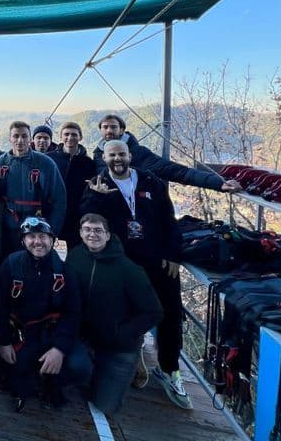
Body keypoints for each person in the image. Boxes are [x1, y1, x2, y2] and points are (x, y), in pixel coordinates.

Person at [80, 139, 191, 409]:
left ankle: (169, 368)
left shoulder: (151, 181)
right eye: (111, 155)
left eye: (121, 154)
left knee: (169, 314)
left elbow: (169, 219)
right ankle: (132, 355)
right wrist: (96, 196)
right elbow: (87, 222)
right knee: (123, 313)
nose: (117, 159)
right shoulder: (98, 183)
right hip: (123, 264)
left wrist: (174, 254)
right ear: (104, 158)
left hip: (157, 261)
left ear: (130, 155)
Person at [66, 214, 163, 416]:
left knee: (104, 406)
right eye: (88, 230)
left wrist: (122, 333)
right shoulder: (75, 256)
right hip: (86, 337)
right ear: (80, 233)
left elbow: (153, 312)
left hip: (118, 345)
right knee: (75, 368)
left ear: (108, 235)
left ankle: (130, 366)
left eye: (98, 230)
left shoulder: (128, 269)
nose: (92, 234)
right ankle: (90, 368)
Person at [0, 217, 92, 412]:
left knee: (80, 366)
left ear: (53, 240)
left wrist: (59, 349)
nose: (37, 241)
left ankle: (52, 380)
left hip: (53, 333)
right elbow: (0, 307)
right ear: (23, 241)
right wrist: (4, 342)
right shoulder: (11, 265)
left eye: (43, 236)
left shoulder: (64, 272)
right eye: (31, 236)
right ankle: (37, 377)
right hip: (22, 334)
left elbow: (73, 314)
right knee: (17, 372)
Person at [92, 114, 242, 192]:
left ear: (122, 130)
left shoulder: (138, 153)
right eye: (105, 127)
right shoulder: (98, 154)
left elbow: (177, 171)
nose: (109, 131)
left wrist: (218, 183)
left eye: (113, 127)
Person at [0, 121, 67, 256]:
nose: (20, 140)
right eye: (16, 136)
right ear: (10, 138)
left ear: (30, 139)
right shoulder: (1, 164)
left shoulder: (45, 163)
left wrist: (52, 231)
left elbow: (59, 199)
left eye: (24, 136)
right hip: (8, 228)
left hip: (38, 227)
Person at [46, 121, 97, 247]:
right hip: (52, 211)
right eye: (66, 134)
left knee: (75, 248)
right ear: (61, 137)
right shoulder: (49, 159)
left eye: (74, 135)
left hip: (76, 213)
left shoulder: (87, 162)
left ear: (80, 137)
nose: (70, 138)